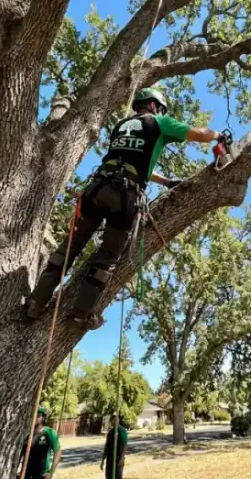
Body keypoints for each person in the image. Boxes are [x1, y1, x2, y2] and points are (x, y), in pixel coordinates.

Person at [27, 87, 224, 328]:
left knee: (68, 249)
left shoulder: (122, 126)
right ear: (153, 106)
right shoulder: (159, 122)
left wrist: (166, 181)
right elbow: (199, 134)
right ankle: (80, 313)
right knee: (107, 258)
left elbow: (129, 161)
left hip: (96, 189)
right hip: (125, 197)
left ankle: (36, 303)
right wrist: (218, 136)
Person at [17, 407, 62, 479]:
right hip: (25, 474)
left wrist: (50, 474)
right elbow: (19, 455)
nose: (34, 417)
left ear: (44, 418)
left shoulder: (50, 433)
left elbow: (58, 452)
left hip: (41, 476)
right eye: (32, 415)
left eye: (38, 415)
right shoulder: (25, 434)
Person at [100, 415, 128, 479]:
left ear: (118, 421)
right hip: (110, 459)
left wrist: (121, 459)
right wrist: (103, 460)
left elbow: (125, 445)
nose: (114, 421)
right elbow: (106, 446)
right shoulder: (110, 433)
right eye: (113, 420)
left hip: (118, 459)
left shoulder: (122, 431)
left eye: (116, 420)